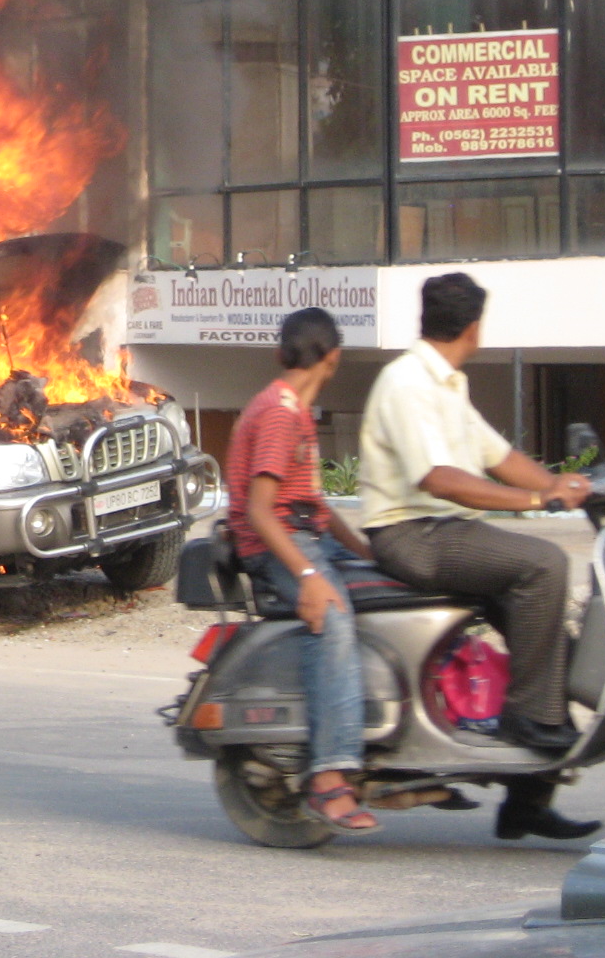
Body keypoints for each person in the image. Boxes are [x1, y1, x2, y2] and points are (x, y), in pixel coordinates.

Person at [359, 271, 599, 841]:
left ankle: (527, 804)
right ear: (474, 327)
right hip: (412, 534)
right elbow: (440, 479)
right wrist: (538, 500)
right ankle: (528, 719)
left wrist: (563, 485)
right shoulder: (407, 382)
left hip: (443, 530)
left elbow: (498, 456)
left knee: (552, 645)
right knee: (545, 565)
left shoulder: (447, 382)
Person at [227, 307, 379, 832]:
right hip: (275, 545)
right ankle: (328, 777)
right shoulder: (278, 413)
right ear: (333, 358)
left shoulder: (295, 410)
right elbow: (260, 511)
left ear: (281, 353)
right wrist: (310, 579)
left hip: (305, 535)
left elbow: (313, 504)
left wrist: (366, 552)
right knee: (333, 619)